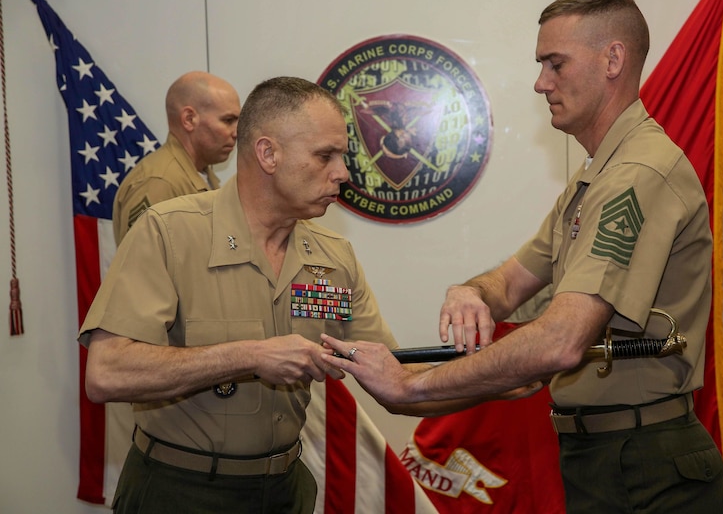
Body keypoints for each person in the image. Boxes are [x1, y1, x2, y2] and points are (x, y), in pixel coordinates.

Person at [323, 0, 723, 512]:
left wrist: (412, 387)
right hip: (604, 455)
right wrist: (472, 292)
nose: (541, 82)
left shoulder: (637, 175)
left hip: (643, 462)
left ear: (613, 60)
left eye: (555, 63)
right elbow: (513, 281)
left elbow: (560, 341)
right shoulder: (595, 177)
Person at [78, 76, 532, 514]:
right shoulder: (171, 232)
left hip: (284, 490)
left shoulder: (333, 258)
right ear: (268, 153)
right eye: (325, 156)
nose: (344, 173)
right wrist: (249, 356)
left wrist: (495, 377)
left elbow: (398, 383)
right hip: (179, 491)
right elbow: (106, 372)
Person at [112, 70, 240, 245]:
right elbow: (143, 265)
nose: (236, 132)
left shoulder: (200, 174)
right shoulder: (158, 183)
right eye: (228, 120)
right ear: (189, 119)